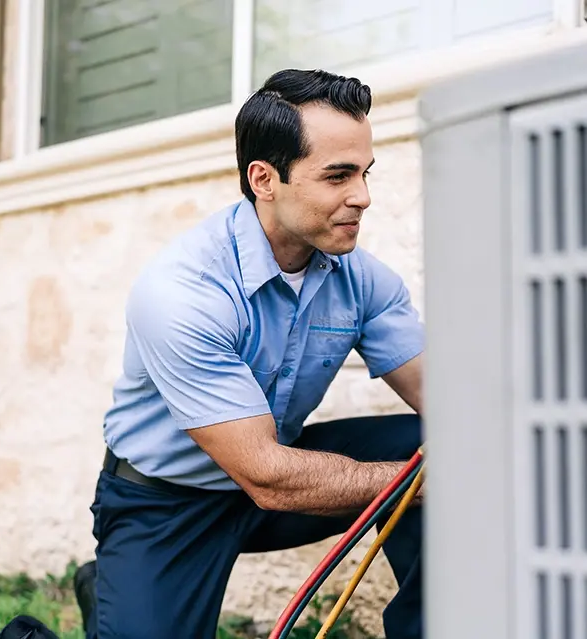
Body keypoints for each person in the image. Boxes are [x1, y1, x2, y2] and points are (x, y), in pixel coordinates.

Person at [75, 68, 425, 639]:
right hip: (166, 502)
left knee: (436, 448)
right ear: (264, 178)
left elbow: (450, 401)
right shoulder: (183, 290)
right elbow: (266, 475)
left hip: (275, 482)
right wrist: (420, 481)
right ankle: (112, 591)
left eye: (364, 173)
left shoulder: (361, 278)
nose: (362, 197)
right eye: (338, 175)